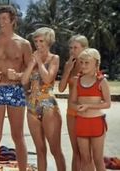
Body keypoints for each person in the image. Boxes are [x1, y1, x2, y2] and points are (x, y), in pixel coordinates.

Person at [0, 5, 32, 171]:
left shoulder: (23, 44)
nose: (0, 22)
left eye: (4, 19)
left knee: (18, 135)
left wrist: (17, 76)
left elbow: (31, 72)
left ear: (13, 20)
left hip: (15, 90)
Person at [21, 27, 66, 171]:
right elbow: (24, 81)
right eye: (36, 41)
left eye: (41, 41)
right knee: (40, 150)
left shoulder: (54, 58)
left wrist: (39, 62)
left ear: (49, 42)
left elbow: (47, 78)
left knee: (55, 150)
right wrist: (32, 63)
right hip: (32, 106)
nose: (38, 44)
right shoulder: (32, 60)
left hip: (48, 105)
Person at [70, 48, 111, 171]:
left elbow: (107, 104)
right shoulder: (77, 81)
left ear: (96, 63)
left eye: (87, 62)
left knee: (98, 160)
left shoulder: (101, 81)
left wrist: (89, 106)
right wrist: (76, 107)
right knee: (85, 159)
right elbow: (72, 102)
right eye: (81, 62)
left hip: (96, 123)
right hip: (81, 123)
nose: (83, 65)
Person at [58, 35, 89, 171]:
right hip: (71, 112)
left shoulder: (90, 66)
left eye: (75, 48)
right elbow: (61, 88)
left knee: (87, 153)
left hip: (87, 112)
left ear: (84, 48)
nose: (72, 51)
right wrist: (67, 70)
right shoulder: (69, 64)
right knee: (76, 152)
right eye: (70, 48)